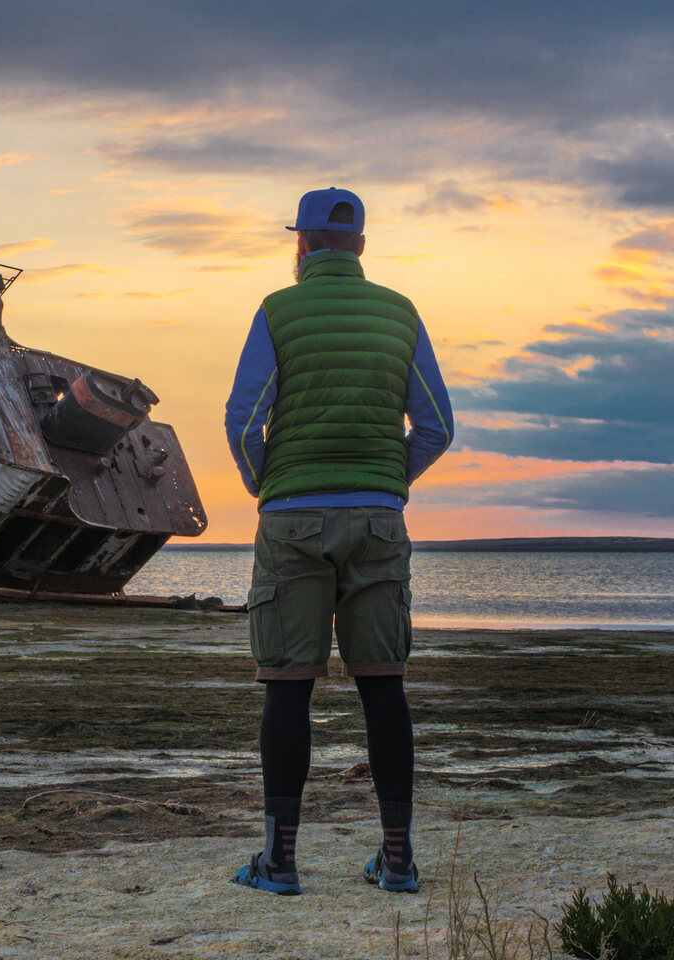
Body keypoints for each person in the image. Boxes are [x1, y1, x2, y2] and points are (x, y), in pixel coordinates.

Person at [223, 187, 454, 896]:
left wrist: (273, 486)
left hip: (292, 518)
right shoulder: (401, 313)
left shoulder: (277, 310)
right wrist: (387, 482)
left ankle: (280, 862)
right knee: (383, 687)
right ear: (360, 246)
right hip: (379, 520)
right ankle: (397, 860)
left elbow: (242, 420)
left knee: (287, 686)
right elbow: (438, 426)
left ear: (302, 245)